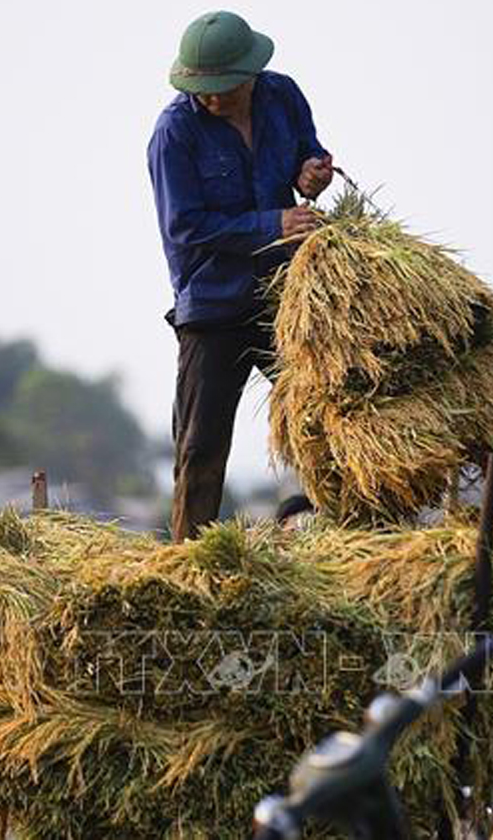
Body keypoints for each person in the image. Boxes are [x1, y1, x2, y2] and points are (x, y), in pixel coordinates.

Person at [148, 10, 334, 542]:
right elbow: (186, 227)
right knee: (201, 446)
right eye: (199, 90)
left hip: (283, 297)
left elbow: (309, 157)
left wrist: (312, 172)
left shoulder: (283, 97)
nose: (209, 99)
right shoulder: (173, 133)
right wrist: (272, 222)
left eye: (220, 89)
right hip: (212, 305)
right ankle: (187, 561)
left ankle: (344, 537)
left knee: (324, 420)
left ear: (249, 75)